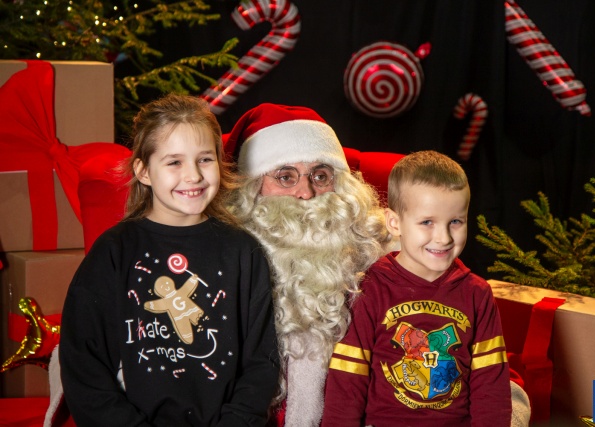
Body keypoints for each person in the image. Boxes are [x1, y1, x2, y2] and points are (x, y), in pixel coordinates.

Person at [59, 94, 279, 426]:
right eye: (174, 162)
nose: (193, 176)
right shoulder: (114, 251)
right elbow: (82, 363)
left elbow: (262, 361)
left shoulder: (243, 251)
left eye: (205, 159)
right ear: (144, 171)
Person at [223, 103, 392, 426]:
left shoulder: (382, 253)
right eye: (285, 177)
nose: (306, 193)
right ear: (251, 189)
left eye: (321, 176)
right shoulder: (224, 261)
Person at [321, 150, 512, 426]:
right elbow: (348, 378)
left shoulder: (477, 294)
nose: (443, 238)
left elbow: (490, 384)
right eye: (427, 222)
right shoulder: (369, 289)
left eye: (455, 222)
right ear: (394, 223)